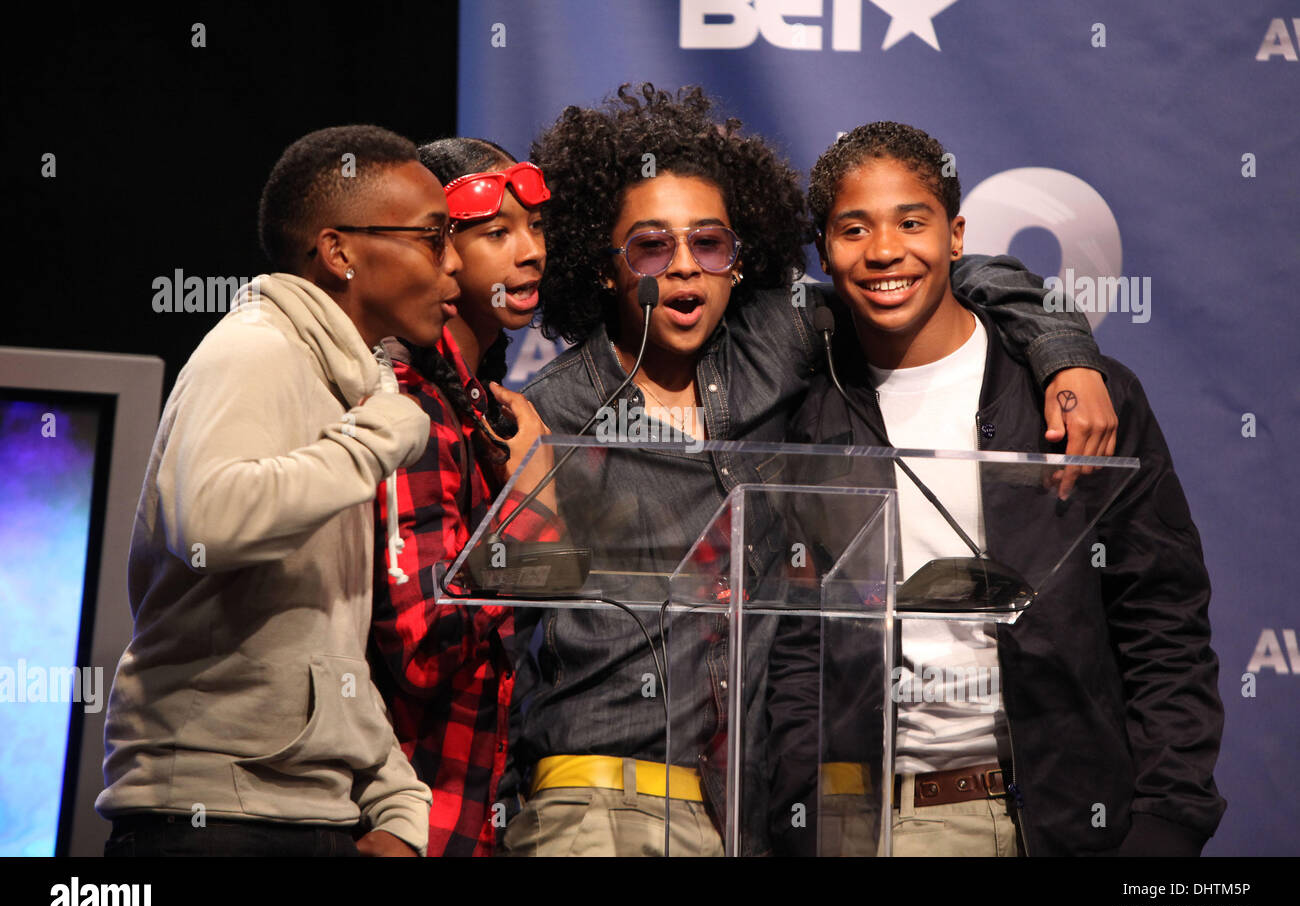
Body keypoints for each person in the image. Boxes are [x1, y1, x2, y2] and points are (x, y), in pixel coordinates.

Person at [501, 84, 1120, 856]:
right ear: (605, 266)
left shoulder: (778, 339)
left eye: (711, 244)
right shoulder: (547, 415)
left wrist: (1065, 352)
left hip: (735, 810)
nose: (685, 269)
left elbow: (949, 279)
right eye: (653, 247)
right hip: (591, 800)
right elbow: (496, 633)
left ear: (739, 259)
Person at [777, 120, 1225, 856]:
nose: (885, 249)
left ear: (956, 236)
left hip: (1064, 820)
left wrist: (1169, 819)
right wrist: (799, 817)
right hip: (871, 824)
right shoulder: (807, 408)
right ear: (824, 251)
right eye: (854, 228)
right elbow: (795, 640)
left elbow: (1163, 616)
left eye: (911, 222)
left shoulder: (1084, 400)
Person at [96, 125, 458, 857]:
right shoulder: (256, 348)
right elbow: (209, 518)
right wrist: (376, 438)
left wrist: (396, 801)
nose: (452, 265)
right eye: (433, 236)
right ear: (339, 251)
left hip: (305, 813)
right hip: (210, 821)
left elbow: (317, 640)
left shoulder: (350, 386)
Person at [368, 137, 561, 856]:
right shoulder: (408, 402)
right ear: (438, 250)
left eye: (536, 227)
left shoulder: (484, 406)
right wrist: (533, 500)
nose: (530, 250)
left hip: (470, 818)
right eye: (496, 232)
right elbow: (423, 644)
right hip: (408, 821)